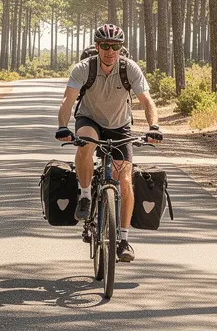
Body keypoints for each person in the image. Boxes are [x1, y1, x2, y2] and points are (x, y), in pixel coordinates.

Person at [55, 24, 163, 262]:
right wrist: (63, 126)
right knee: (85, 143)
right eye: (105, 46)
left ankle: (123, 239)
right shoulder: (84, 68)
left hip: (119, 125)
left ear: (121, 48)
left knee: (125, 180)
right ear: (97, 47)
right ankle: (85, 194)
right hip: (90, 119)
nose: (110, 51)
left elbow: (147, 101)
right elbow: (68, 100)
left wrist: (153, 127)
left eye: (115, 46)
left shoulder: (129, 69)